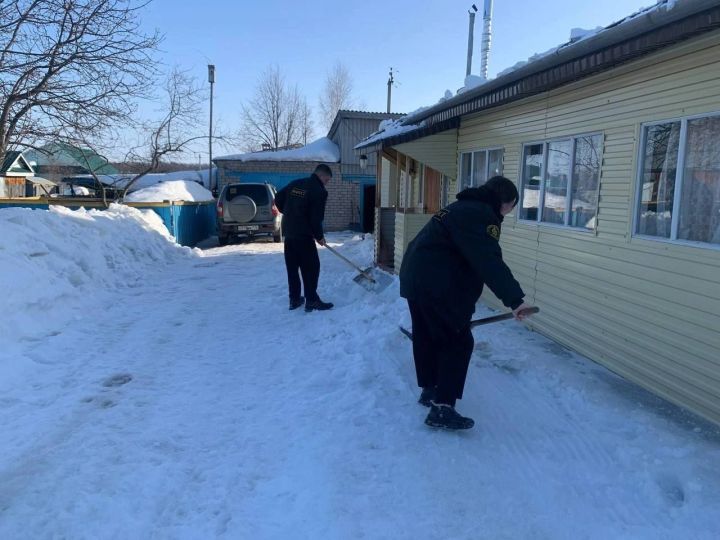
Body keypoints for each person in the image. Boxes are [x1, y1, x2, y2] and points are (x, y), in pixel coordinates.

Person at [399, 176, 535, 430]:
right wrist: (515, 300)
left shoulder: (459, 207)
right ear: (505, 202)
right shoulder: (481, 215)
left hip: (415, 278)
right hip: (438, 284)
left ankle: (430, 390)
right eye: (512, 206)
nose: (509, 212)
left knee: (426, 336)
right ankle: (442, 408)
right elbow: (487, 260)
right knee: (457, 342)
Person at [274, 164, 334, 312]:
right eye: (327, 180)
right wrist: (319, 236)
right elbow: (316, 219)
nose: (326, 183)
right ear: (321, 176)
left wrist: (290, 213)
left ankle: (294, 300)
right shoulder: (319, 191)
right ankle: (312, 300)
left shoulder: (296, 184)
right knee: (312, 268)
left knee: (293, 268)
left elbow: (278, 198)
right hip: (304, 236)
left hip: (289, 234)